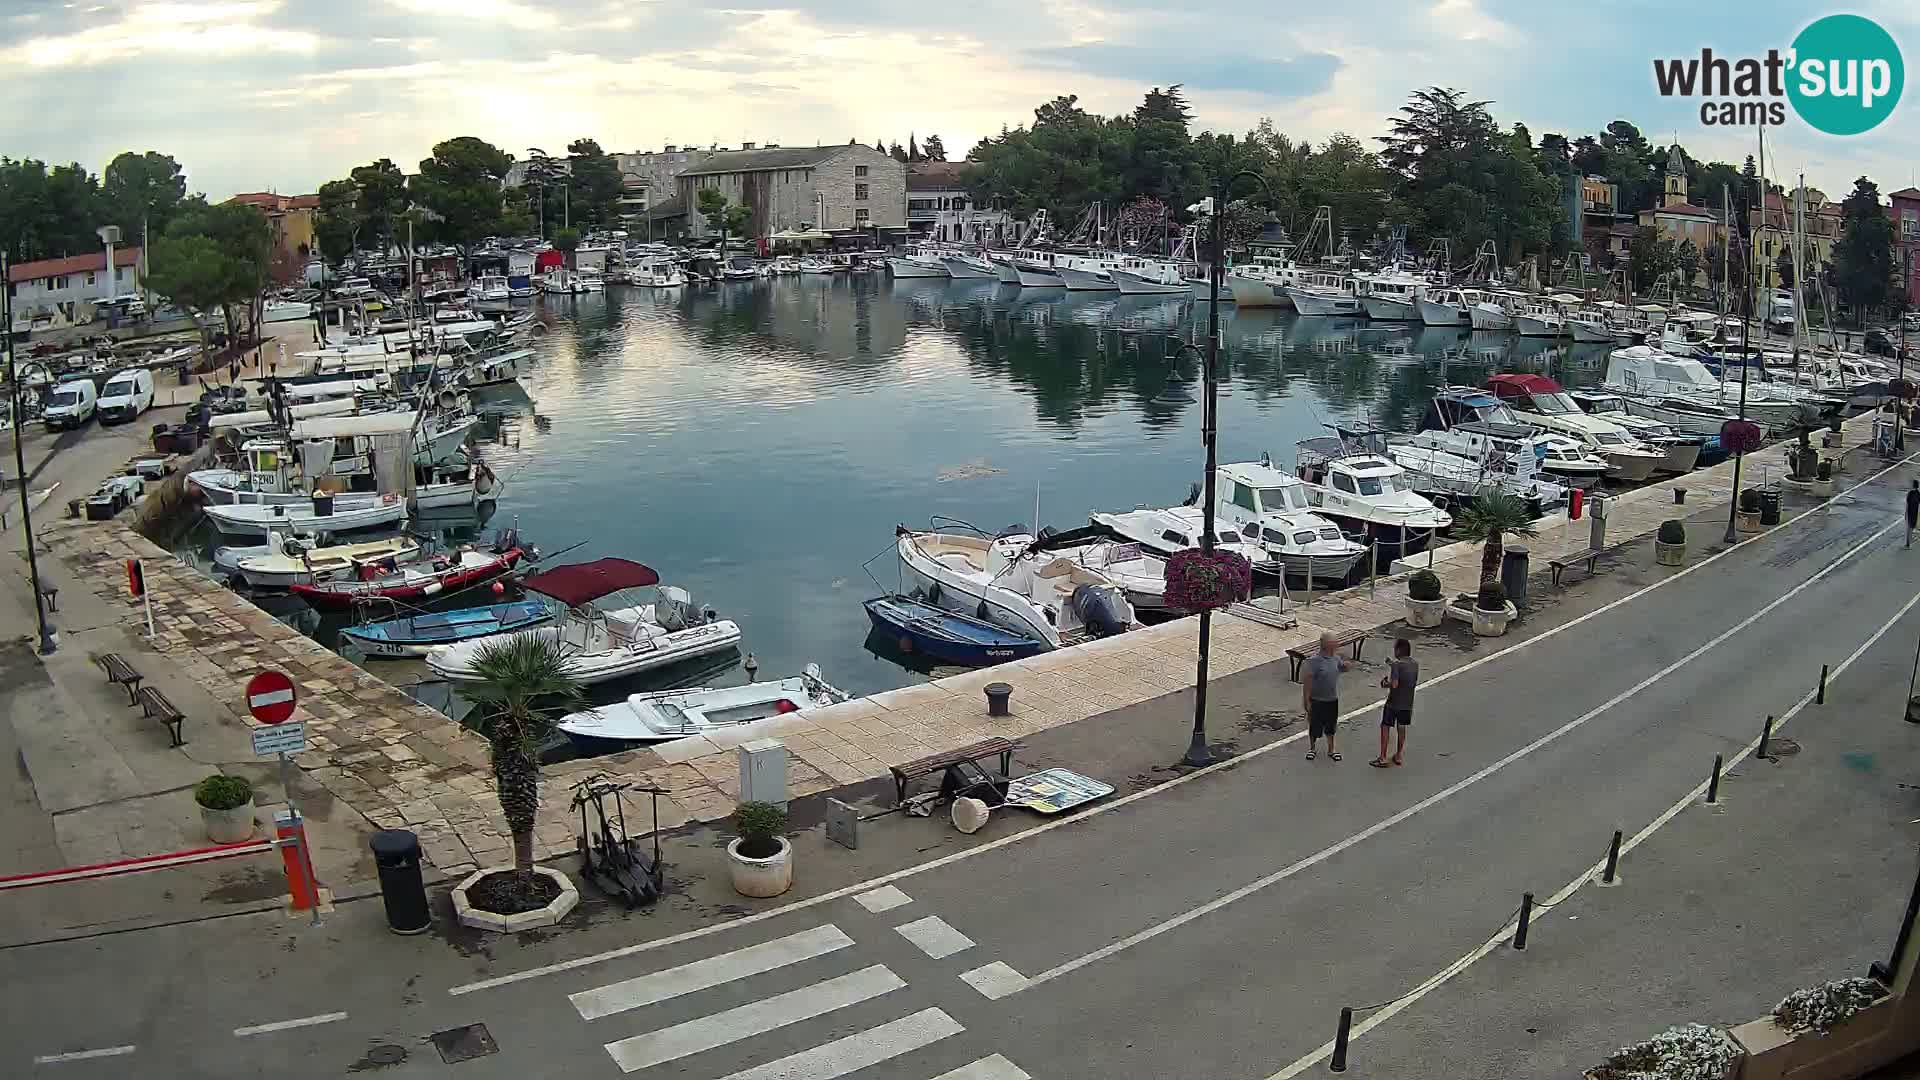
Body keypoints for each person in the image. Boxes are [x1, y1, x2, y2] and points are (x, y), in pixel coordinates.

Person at [1302, 632, 1351, 762]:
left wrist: (1346, 666)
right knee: (1314, 726)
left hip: (1331, 699)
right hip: (1317, 699)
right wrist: (1306, 701)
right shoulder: (1314, 661)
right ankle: (1312, 748)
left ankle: (1331, 749)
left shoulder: (1336, 658)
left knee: (1331, 726)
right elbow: (1307, 682)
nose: (1337, 645)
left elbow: (1342, 668)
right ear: (1327, 645)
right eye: (1334, 643)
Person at [1372, 638, 1419, 768]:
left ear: (1399, 650)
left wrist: (1384, 683)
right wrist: (1391, 664)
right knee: (1401, 727)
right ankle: (1398, 755)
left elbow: (1394, 684)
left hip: (1394, 702)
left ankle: (1382, 757)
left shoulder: (1398, 665)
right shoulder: (1415, 664)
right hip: (1408, 702)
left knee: (1385, 726)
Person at [1907, 480, 1919, 548]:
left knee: (1909, 527)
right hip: (1915, 512)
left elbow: (1907, 503)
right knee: (1912, 527)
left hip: (1910, 512)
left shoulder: (1910, 493)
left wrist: (1906, 513)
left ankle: (1908, 542)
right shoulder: (1918, 493)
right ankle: (1909, 542)